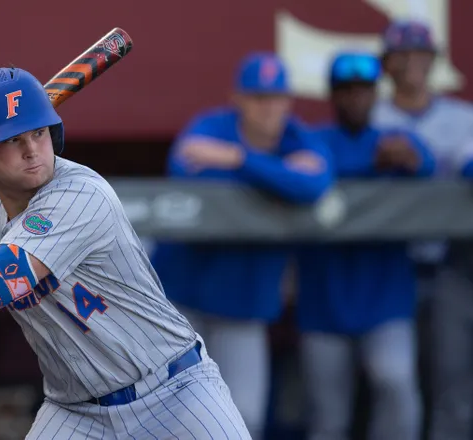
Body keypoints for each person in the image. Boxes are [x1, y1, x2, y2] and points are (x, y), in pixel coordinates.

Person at [0, 66, 251, 439]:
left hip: (173, 390)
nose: (32, 150)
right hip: (77, 412)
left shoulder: (80, 193)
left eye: (39, 133)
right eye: (14, 139)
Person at [151, 52, 334, 438]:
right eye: (258, 98)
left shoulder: (296, 136)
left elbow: (314, 186)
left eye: (276, 98)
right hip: (184, 301)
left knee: (244, 418)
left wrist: (237, 159)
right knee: (170, 417)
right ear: (239, 99)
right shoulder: (211, 125)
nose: (269, 108)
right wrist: (276, 176)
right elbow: (182, 168)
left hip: (245, 306)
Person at [296, 51, 435, 440]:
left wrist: (411, 160)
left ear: (376, 94)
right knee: (329, 418)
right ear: (333, 95)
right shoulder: (314, 140)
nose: (355, 98)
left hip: (385, 299)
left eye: (364, 90)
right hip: (324, 301)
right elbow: (304, 169)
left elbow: (426, 165)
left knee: (395, 384)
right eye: (346, 90)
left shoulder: (396, 140)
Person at [371, 20, 473, 440]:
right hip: (385, 264)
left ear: (433, 61)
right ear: (388, 63)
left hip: (450, 264)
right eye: (403, 54)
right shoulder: (372, 116)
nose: (412, 61)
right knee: (392, 382)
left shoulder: (461, 117)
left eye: (420, 53)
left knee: (452, 382)